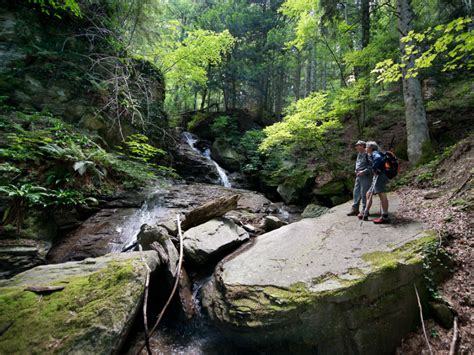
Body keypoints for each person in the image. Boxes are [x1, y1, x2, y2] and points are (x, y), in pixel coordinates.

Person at [362, 141, 390, 224]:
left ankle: (385, 216)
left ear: (371, 148)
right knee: (368, 193)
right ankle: (366, 212)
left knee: (381, 194)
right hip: (378, 175)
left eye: (366, 147)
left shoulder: (375, 153)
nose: (365, 149)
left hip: (380, 175)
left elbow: (378, 159)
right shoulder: (373, 154)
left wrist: (375, 169)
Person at [347, 140, 373, 217]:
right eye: (356, 145)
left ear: (362, 146)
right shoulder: (359, 154)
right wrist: (356, 170)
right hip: (359, 176)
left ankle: (365, 210)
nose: (356, 147)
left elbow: (372, 166)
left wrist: (364, 171)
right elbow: (358, 163)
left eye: (357, 145)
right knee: (356, 192)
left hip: (366, 176)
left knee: (364, 193)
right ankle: (355, 209)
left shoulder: (367, 154)